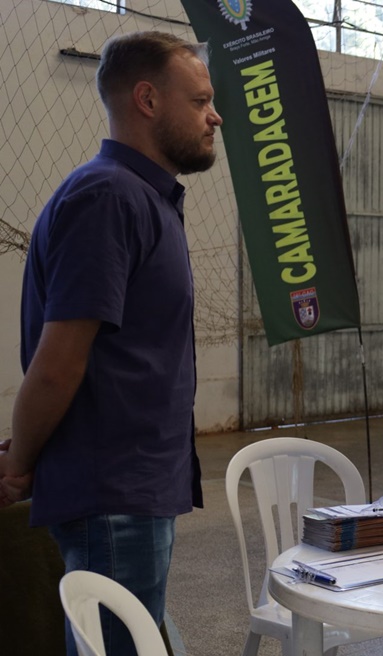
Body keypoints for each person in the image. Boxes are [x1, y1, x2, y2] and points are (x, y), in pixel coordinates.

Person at [0, 31, 221, 655]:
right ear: (147, 100)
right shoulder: (108, 197)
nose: (215, 116)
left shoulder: (146, 199)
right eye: (200, 101)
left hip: (133, 488)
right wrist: (20, 465)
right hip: (112, 495)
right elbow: (58, 364)